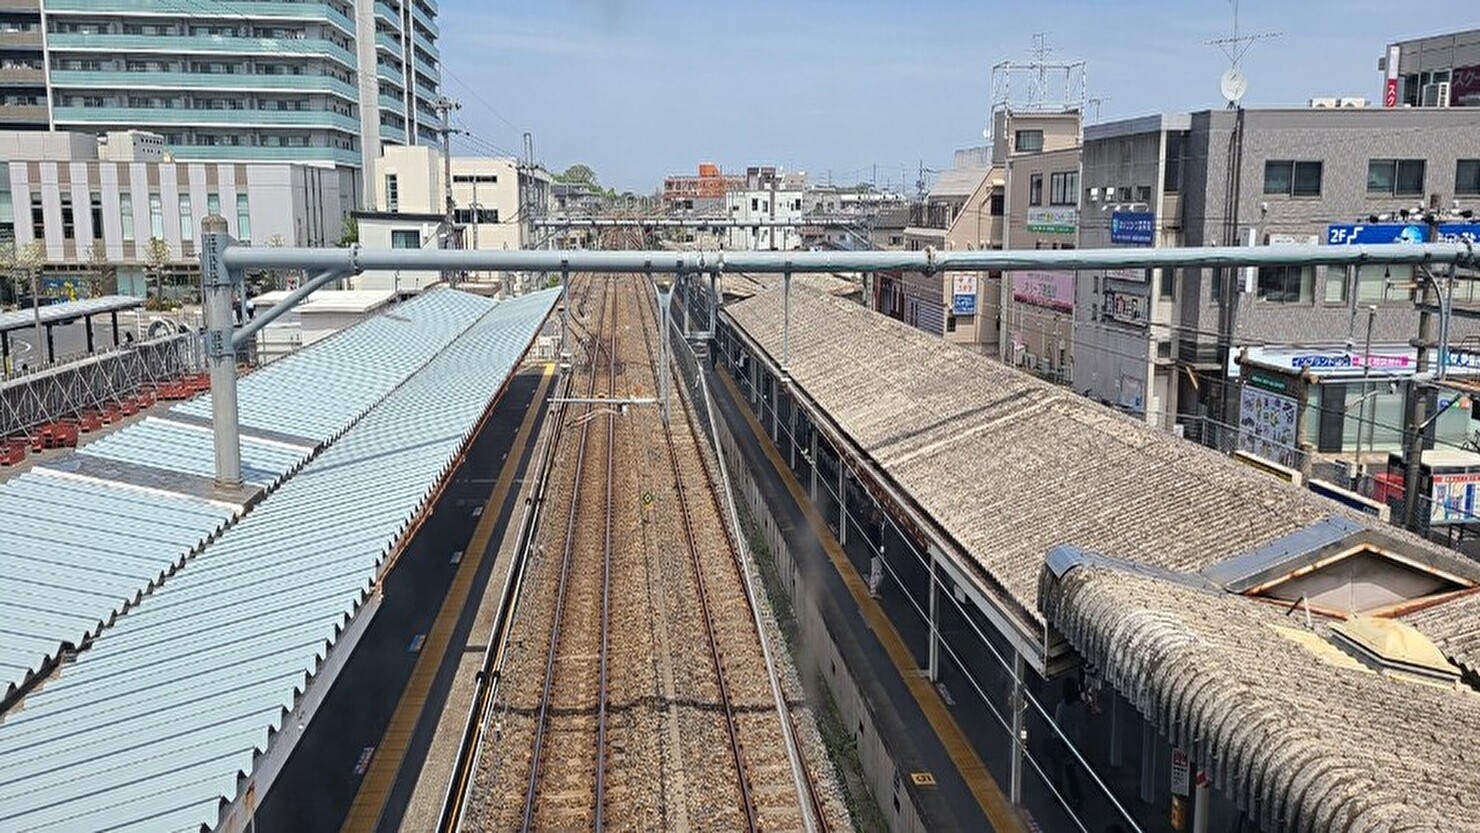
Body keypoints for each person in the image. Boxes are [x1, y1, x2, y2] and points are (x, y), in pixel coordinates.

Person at [1052, 676, 1086, 813]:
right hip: (1075, 743)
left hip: (1062, 743)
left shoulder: (1061, 707)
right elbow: (1083, 722)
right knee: (1070, 771)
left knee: (1059, 769)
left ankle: (1059, 793)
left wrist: (1054, 738)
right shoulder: (1079, 706)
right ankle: (1076, 797)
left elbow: (1056, 726)